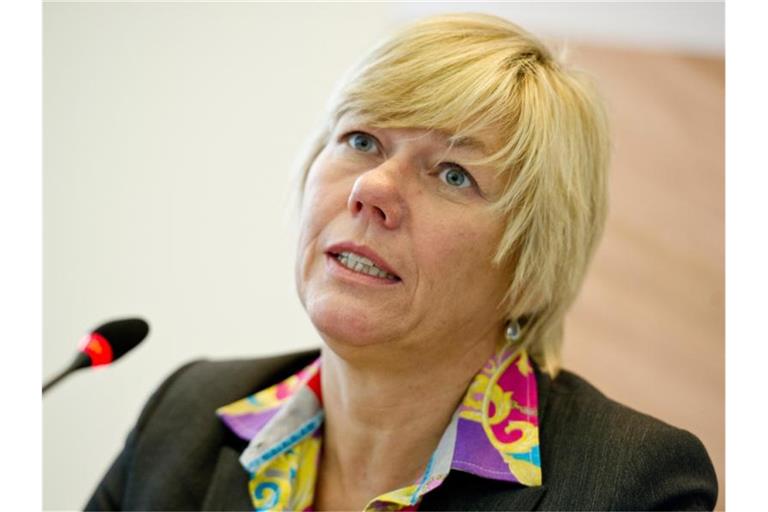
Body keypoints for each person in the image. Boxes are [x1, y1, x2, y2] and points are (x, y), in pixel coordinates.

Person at [85, 12, 718, 511]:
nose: (374, 189)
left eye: (453, 173)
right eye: (361, 140)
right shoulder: (185, 416)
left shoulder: (632, 487)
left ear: (530, 267)